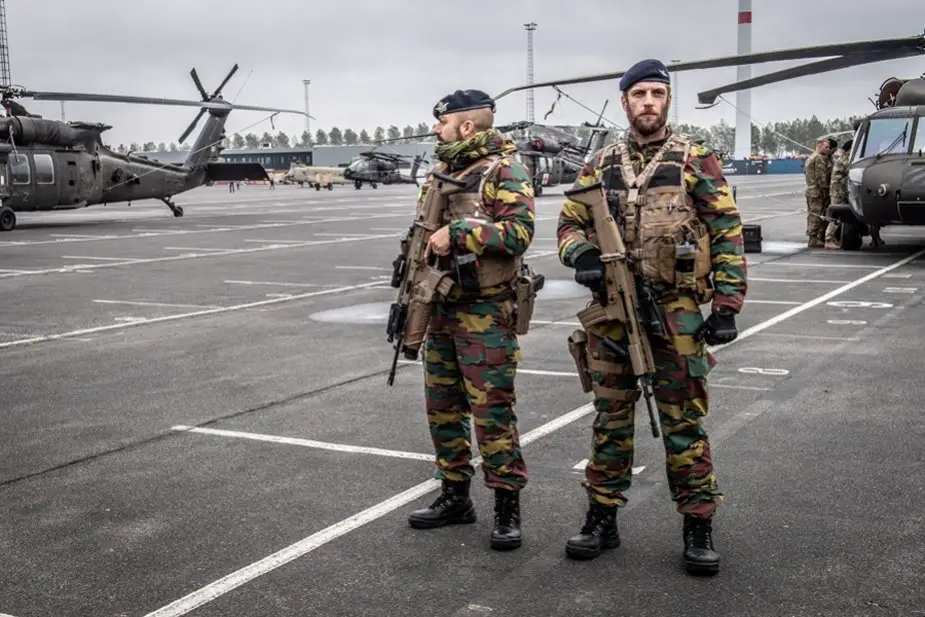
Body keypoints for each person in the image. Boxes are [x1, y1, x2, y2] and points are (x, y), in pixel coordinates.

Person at [556, 59, 746, 575]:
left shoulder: (694, 158)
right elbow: (569, 224)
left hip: (676, 310)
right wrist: (582, 255)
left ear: (667, 101)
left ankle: (698, 523)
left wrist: (727, 305)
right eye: (639, 94)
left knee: (683, 420)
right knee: (610, 418)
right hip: (612, 312)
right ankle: (602, 516)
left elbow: (726, 230)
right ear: (624, 102)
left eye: (657, 94)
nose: (647, 102)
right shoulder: (600, 163)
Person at [406, 89, 536, 551]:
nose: (435, 129)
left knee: (492, 413)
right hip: (440, 307)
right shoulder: (441, 173)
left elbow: (519, 233)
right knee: (442, 408)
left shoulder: (504, 170)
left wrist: (460, 231)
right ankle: (455, 496)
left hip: (486, 313)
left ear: (466, 126)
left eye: (442, 122)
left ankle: (506, 508)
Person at [804, 137, 834, 247]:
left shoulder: (812, 157)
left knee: (814, 213)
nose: (828, 149)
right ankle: (813, 238)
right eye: (826, 147)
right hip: (817, 192)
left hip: (812, 190)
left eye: (829, 148)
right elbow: (821, 178)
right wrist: (827, 191)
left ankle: (815, 236)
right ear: (819, 146)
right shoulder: (818, 158)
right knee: (816, 214)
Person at [825, 139, 852, 250]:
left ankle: (832, 238)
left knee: (838, 215)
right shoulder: (844, 159)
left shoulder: (840, 157)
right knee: (836, 215)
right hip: (838, 191)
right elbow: (850, 169)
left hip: (838, 190)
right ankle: (828, 239)